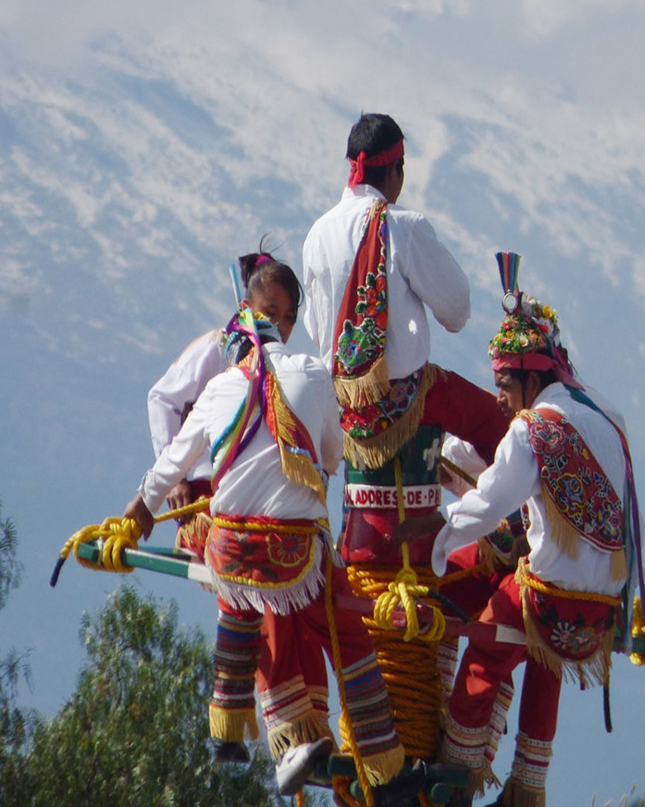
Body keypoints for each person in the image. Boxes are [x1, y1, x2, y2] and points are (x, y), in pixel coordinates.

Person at [124, 289, 424, 803]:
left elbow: (167, 469)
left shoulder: (219, 389)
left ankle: (238, 731)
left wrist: (130, 522)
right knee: (344, 630)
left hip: (230, 554)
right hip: (294, 555)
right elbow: (332, 458)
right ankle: (384, 766)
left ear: (240, 348)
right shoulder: (313, 374)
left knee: (242, 601)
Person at [398, 271, 645, 807]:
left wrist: (437, 530)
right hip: (602, 611)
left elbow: (488, 503)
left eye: (506, 387)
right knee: (546, 661)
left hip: (547, 600)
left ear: (531, 382)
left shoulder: (533, 428)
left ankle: (455, 777)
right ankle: (528, 788)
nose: (502, 399)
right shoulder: (608, 413)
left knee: (484, 653)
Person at [302, 112, 509, 473]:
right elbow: (456, 313)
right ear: (396, 170)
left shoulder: (318, 233)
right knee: (496, 424)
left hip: (342, 405)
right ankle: (510, 525)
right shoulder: (404, 226)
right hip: (408, 399)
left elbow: (315, 328)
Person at [146, 244, 301, 555]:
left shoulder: (285, 368)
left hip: (258, 503)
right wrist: (174, 478)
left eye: (289, 318)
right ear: (245, 307)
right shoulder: (217, 346)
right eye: (269, 313)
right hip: (205, 497)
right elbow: (163, 399)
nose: (279, 326)